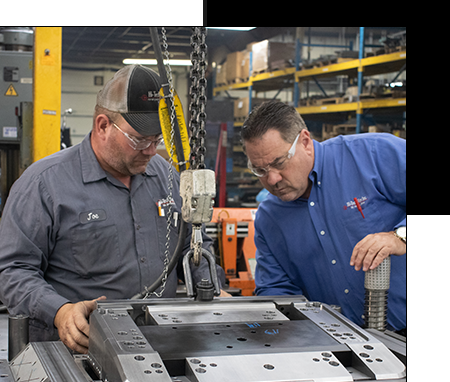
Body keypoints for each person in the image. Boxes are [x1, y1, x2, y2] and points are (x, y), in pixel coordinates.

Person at [0, 65, 225, 354]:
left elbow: (192, 245)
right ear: (103, 125)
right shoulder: (44, 184)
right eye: (139, 139)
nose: (150, 151)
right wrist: (60, 311)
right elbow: (13, 270)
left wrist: (210, 284)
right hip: (78, 351)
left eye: (157, 140)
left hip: (160, 345)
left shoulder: (167, 177)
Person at [241, 101, 406, 333]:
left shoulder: (374, 155)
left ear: (305, 142)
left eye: (279, 163)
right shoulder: (270, 218)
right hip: (343, 347)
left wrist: (399, 236)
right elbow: (276, 291)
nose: (272, 180)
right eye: (260, 170)